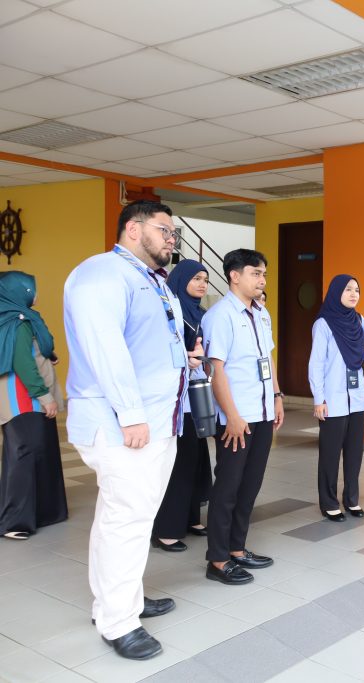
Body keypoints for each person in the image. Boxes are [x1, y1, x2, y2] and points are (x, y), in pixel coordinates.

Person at [64, 200, 202, 660]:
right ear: (133, 229)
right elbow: (106, 349)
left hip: (158, 421)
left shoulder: (152, 280)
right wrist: (131, 415)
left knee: (130, 518)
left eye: (173, 232)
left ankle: (123, 600)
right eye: (164, 230)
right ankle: (118, 622)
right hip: (123, 424)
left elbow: (153, 345)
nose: (171, 239)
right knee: (125, 520)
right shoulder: (101, 274)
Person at [201, 249, 283, 586]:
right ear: (234, 276)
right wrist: (232, 416)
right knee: (228, 488)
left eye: (263, 274)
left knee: (250, 486)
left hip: (262, 412)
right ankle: (218, 559)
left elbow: (268, 359)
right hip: (237, 418)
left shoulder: (261, 313)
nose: (262, 280)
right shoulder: (220, 316)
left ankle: (236, 548)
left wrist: (277, 396)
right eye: (255, 273)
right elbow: (215, 370)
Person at [309, 275, 364, 520]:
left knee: (354, 453)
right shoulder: (323, 324)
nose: (354, 294)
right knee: (330, 454)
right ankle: (329, 502)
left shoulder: (359, 320)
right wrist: (318, 399)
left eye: (357, 290)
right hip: (333, 399)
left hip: (357, 397)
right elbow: (316, 364)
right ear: (336, 292)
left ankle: (352, 499)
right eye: (348, 289)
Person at [151, 260, 213, 551]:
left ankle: (190, 518)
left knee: (196, 460)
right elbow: (158, 352)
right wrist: (187, 358)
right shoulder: (168, 311)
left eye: (205, 279)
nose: (202, 284)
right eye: (196, 278)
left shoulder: (199, 313)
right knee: (178, 464)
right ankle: (166, 529)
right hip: (175, 399)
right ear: (181, 279)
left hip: (196, 397)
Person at [0, 271, 67, 541]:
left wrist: (47, 354)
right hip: (23, 398)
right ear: (20, 291)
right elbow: (22, 362)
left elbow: (29, 351)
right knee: (25, 455)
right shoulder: (18, 322)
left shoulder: (15, 319)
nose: (36, 293)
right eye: (32, 288)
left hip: (25, 397)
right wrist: (44, 396)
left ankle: (42, 512)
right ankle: (14, 522)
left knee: (34, 452)